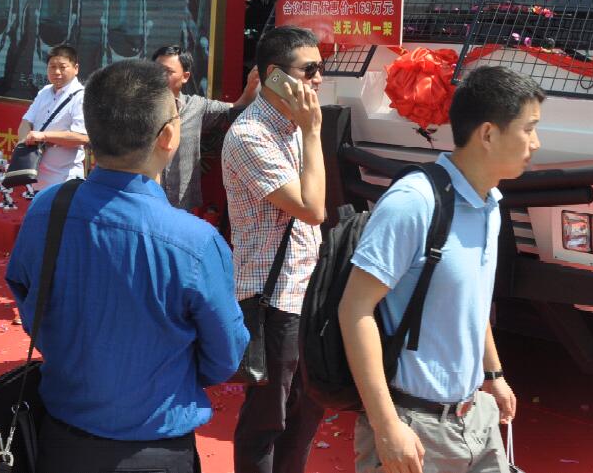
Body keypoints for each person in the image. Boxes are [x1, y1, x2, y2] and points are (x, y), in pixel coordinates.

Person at [5, 59, 249, 473]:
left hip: (61, 438)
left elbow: (27, 298)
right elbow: (224, 356)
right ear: (168, 136)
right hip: (155, 448)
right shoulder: (195, 242)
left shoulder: (47, 208)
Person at [340, 66, 543, 473]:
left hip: (476, 419)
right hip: (414, 429)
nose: (536, 143)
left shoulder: (489, 205)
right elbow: (354, 310)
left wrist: (493, 374)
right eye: (529, 129)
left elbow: (471, 301)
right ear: (488, 134)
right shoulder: (414, 202)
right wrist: (386, 426)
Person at [222, 26, 328, 473]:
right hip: (272, 297)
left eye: (321, 68)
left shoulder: (294, 129)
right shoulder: (251, 135)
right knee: (267, 419)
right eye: (310, 70)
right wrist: (314, 132)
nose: (318, 79)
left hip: (306, 291)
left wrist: (307, 132)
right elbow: (313, 209)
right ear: (274, 75)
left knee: (306, 414)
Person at [151, 44, 259, 212]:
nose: (160, 76)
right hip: (146, 200)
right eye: (156, 70)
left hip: (182, 205)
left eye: (168, 71)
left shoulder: (196, 106)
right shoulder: (136, 108)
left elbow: (236, 109)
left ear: (185, 76)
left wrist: (251, 86)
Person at [18, 44, 89, 193]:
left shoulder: (82, 97)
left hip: (65, 179)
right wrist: (25, 141)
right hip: (37, 176)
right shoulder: (44, 92)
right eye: (52, 67)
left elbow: (82, 137)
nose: (57, 72)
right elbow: (26, 121)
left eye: (62, 67)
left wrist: (44, 136)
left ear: (76, 68)